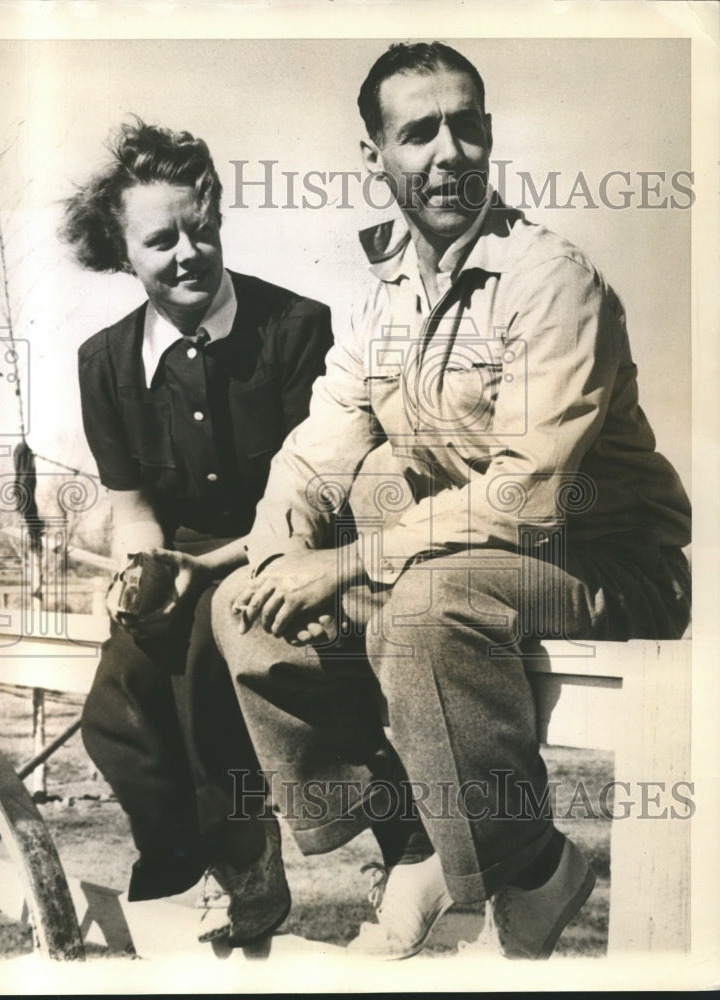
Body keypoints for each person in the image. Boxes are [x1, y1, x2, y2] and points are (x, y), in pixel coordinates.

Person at [211, 42, 692, 960]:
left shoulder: (552, 280)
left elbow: (529, 490)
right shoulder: (382, 299)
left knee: (424, 605)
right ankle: (422, 841)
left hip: (611, 564)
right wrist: (280, 558)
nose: (447, 155)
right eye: (418, 132)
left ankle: (520, 862)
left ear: (489, 135)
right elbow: (315, 452)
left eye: (465, 128)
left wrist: (345, 563)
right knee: (246, 606)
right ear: (375, 156)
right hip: (467, 564)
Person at [60, 118, 333, 946]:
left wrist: (201, 566)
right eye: (160, 241)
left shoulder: (296, 329)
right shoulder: (104, 363)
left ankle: (244, 853)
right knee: (115, 704)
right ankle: (192, 858)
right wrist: (140, 570)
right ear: (123, 256)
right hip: (177, 555)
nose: (188, 253)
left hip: (280, 544)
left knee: (205, 658)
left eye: (201, 229)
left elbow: (312, 498)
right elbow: (134, 507)